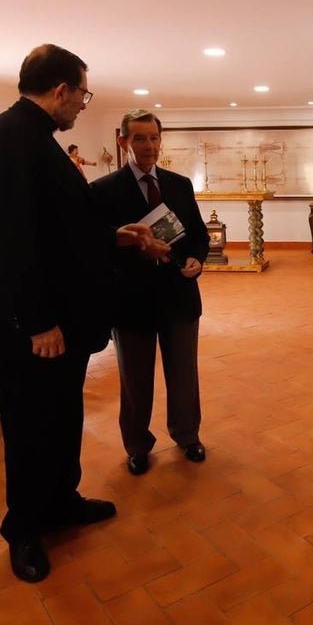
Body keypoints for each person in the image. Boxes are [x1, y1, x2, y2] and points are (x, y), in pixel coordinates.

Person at [0, 44, 159, 584]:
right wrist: (38, 319)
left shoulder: (37, 140)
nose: (83, 106)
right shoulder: (6, 138)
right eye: (82, 94)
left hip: (62, 322)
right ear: (61, 89)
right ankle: (23, 528)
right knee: (28, 425)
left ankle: (61, 501)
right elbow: (8, 241)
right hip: (35, 327)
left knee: (62, 415)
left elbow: (57, 229)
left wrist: (112, 236)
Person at [91, 109, 210, 476]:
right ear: (124, 141)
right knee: (135, 380)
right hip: (131, 302)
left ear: (162, 141)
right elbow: (94, 246)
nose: (148, 146)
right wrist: (137, 247)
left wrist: (196, 259)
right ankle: (137, 445)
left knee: (184, 375)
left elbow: (198, 235)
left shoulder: (179, 184)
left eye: (154, 138)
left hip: (179, 297)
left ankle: (187, 435)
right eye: (139, 138)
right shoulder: (103, 190)